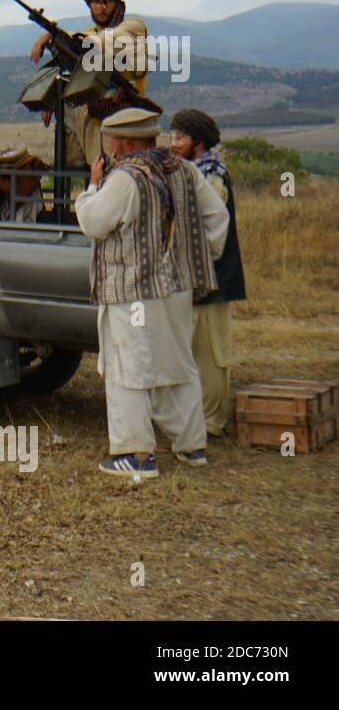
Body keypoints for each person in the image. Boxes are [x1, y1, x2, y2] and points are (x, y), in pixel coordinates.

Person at [75, 108, 229, 478]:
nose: (111, 147)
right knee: (176, 363)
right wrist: (192, 258)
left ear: (125, 142)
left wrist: (92, 187)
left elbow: (93, 223)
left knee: (129, 366)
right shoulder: (185, 170)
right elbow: (217, 219)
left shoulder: (126, 178)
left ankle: (135, 454)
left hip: (133, 293)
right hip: (176, 289)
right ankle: (191, 446)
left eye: (113, 140)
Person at [169, 108, 245, 437]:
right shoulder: (191, 170)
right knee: (191, 346)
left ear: (197, 142)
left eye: (180, 138)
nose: (173, 143)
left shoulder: (210, 174)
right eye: (172, 136)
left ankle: (213, 420)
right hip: (196, 274)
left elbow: (210, 225)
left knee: (212, 352)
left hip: (213, 275)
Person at [30, 0, 153, 167]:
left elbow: (102, 40)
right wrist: (51, 100)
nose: (102, 7)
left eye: (107, 2)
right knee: (86, 168)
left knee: (115, 171)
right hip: (94, 116)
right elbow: (71, 63)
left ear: (118, 4)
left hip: (123, 119)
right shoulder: (88, 35)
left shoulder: (133, 29)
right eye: (96, 2)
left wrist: (51, 34)